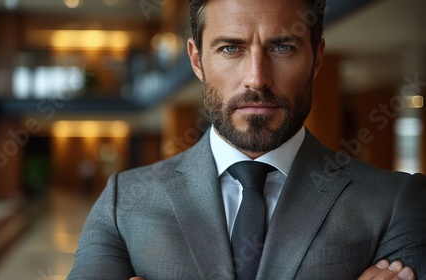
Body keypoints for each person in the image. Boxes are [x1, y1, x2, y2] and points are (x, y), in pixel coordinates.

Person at [67, 0, 426, 279]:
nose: (257, 78)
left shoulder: (394, 203)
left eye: (282, 47)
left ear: (316, 59)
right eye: (231, 48)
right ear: (196, 60)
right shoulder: (123, 202)